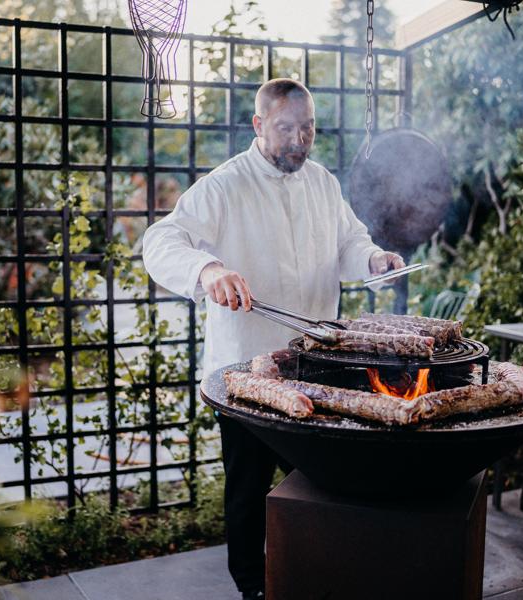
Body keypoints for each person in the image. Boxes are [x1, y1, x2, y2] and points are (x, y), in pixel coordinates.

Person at [141, 78, 404, 600]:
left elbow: (349, 242)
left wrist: (372, 260)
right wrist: (209, 268)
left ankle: (318, 573)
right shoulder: (224, 185)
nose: (299, 140)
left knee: (326, 481)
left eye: (307, 128)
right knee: (248, 489)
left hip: (316, 365)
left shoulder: (323, 182)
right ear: (259, 125)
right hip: (246, 371)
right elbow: (160, 240)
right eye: (286, 128)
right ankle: (253, 587)